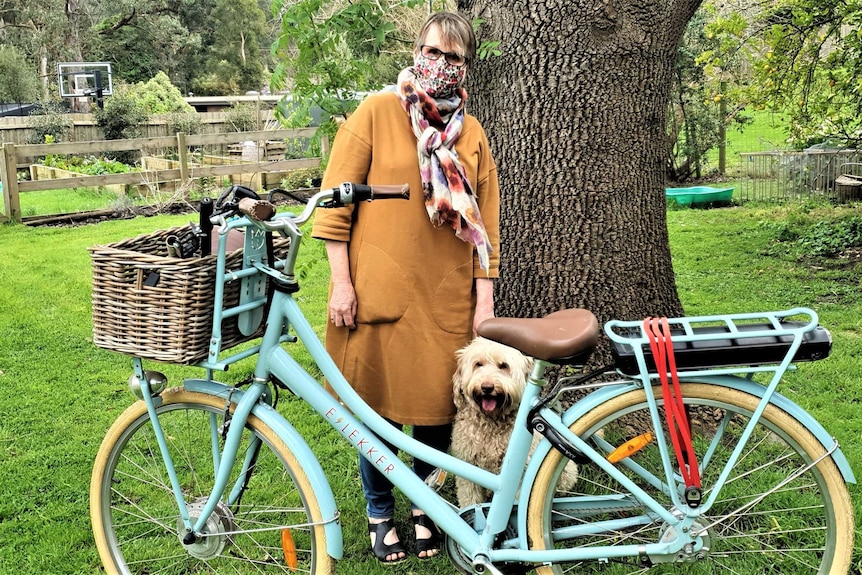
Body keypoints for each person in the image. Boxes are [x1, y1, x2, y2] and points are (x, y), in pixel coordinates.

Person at [311, 11, 501, 564]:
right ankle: (378, 512)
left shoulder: (473, 135)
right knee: (377, 411)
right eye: (433, 53)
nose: (441, 66)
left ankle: (424, 508)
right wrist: (340, 284)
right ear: (417, 51)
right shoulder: (375, 112)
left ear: (466, 68)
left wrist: (483, 300)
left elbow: (485, 229)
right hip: (377, 295)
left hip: (446, 298)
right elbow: (331, 208)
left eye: (454, 58)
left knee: (438, 411)